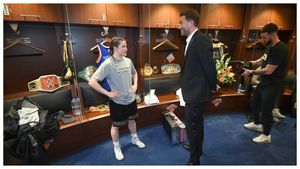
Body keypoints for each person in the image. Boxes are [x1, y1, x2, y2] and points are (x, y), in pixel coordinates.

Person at [89, 37, 145, 161]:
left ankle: (135, 139)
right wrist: (107, 93)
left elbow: (135, 73)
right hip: (118, 102)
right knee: (115, 126)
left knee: (132, 121)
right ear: (115, 48)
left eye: (126, 46)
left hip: (131, 99)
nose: (127, 48)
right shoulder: (107, 64)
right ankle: (116, 147)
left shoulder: (128, 61)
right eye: (123, 46)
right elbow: (92, 81)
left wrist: (135, 85)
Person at [178, 9, 217, 165]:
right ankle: (197, 149)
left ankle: (195, 161)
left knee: (192, 127)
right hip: (192, 92)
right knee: (197, 123)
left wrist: (213, 90)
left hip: (196, 94)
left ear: (190, 22)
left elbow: (210, 68)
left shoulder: (200, 40)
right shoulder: (192, 40)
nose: (178, 25)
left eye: (181, 22)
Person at [242, 23, 288, 143]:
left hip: (274, 84)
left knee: (266, 109)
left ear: (273, 35)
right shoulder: (269, 46)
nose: (262, 40)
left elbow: (268, 70)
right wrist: (251, 63)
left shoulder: (280, 49)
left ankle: (266, 135)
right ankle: (257, 123)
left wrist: (251, 72)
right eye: (261, 37)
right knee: (254, 102)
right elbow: (262, 59)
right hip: (265, 82)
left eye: (264, 37)